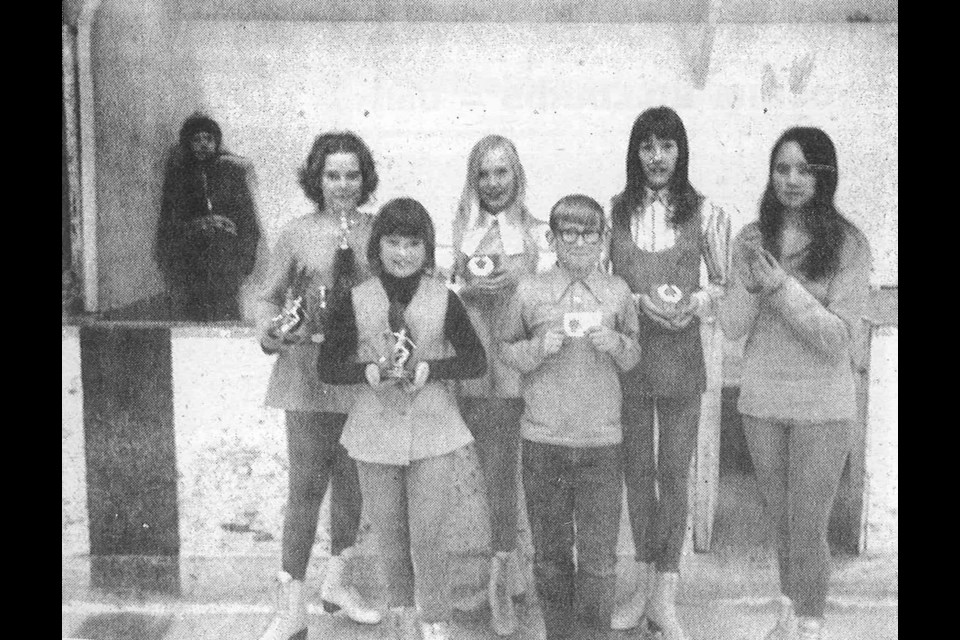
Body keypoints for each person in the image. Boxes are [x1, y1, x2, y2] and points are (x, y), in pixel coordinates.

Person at [722, 127, 870, 640]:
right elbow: (734, 326)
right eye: (782, 168)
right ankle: (789, 613)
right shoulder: (754, 236)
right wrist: (741, 272)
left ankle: (812, 624)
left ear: (824, 176)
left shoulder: (849, 243)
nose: (791, 179)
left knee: (808, 526)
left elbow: (839, 340)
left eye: (804, 170)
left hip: (823, 406)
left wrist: (780, 288)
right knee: (782, 524)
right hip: (762, 400)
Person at [318, 197, 488, 640]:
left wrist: (433, 368)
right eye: (393, 241)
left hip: (433, 428)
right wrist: (367, 372)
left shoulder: (443, 298)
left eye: (413, 243)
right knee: (390, 539)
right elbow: (328, 366)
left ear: (427, 248)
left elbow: (476, 360)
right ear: (378, 247)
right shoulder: (354, 299)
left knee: (428, 536)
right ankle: (401, 618)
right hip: (374, 430)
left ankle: (433, 620)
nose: (403, 252)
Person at [608, 106, 731, 639]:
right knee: (636, 472)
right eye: (647, 147)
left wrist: (696, 303)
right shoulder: (615, 211)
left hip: (682, 358)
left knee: (673, 474)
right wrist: (636, 302)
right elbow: (605, 286)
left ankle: (666, 594)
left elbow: (727, 286)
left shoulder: (707, 214)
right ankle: (640, 588)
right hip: (631, 359)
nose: (657, 157)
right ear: (635, 154)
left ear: (681, 152)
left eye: (667, 146)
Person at [256, 132, 382, 640]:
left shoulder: (379, 231)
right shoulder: (295, 233)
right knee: (306, 487)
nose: (343, 184)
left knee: (351, 485)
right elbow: (266, 299)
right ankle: (290, 608)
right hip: (306, 374)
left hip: (358, 375)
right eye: (333, 174)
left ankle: (338, 585)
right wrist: (271, 330)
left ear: (365, 178)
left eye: (353, 174)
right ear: (317, 178)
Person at [501, 195, 641, 640]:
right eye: (569, 233)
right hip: (544, 443)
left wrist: (617, 345)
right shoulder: (530, 290)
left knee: (599, 560)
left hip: (602, 444)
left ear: (603, 240)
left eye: (590, 234)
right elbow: (506, 352)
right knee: (550, 556)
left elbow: (635, 355)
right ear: (552, 239)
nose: (580, 243)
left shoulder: (617, 292)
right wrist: (536, 350)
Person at [451, 134, 545, 636]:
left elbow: (546, 303)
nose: (492, 183)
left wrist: (519, 284)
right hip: (470, 373)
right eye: (484, 173)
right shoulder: (462, 227)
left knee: (507, 480)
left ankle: (505, 581)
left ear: (516, 175)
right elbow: (448, 292)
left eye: (501, 172)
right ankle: (488, 580)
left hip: (514, 377)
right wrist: (466, 288)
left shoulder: (536, 231)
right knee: (478, 484)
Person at [156, 113, 261, 321]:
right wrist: (201, 224)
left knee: (227, 314)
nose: (203, 145)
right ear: (188, 143)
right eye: (197, 140)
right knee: (196, 315)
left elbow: (248, 221)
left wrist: (244, 259)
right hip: (194, 261)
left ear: (217, 141)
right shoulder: (179, 178)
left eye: (209, 139)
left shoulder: (231, 174)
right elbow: (169, 223)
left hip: (226, 260)